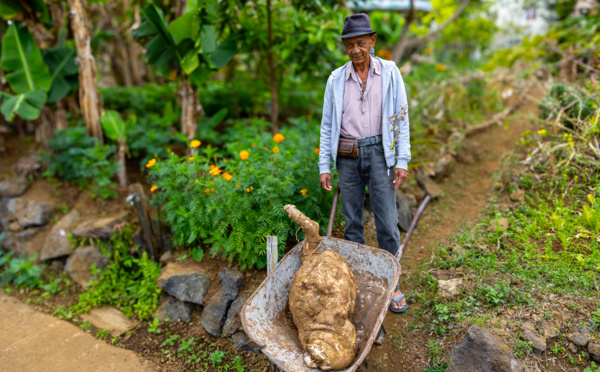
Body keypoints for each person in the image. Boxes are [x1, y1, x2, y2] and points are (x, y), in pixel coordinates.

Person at [318, 13, 411, 313]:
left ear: (372, 41)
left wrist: (403, 158)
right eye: (349, 45)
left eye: (360, 43)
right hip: (347, 155)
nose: (355, 50)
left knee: (386, 221)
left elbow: (400, 118)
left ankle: (392, 283)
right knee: (352, 222)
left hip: (381, 152)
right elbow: (327, 126)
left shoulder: (390, 72)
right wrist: (324, 165)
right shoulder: (335, 79)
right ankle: (356, 281)